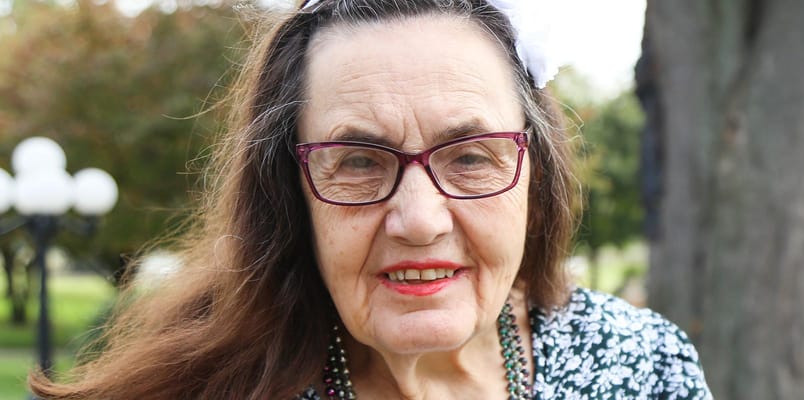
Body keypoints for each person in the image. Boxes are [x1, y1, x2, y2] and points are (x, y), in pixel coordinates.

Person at [29, 0, 711, 398]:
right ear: (291, 194)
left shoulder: (641, 364)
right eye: (357, 161)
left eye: (470, 156)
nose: (419, 220)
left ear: (536, 175)